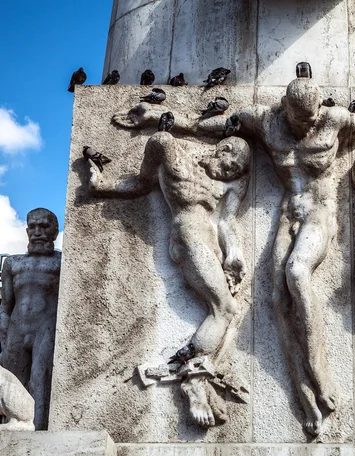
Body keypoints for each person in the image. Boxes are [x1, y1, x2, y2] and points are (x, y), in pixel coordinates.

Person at [113, 76, 355, 435]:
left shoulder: (333, 120)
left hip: (320, 211)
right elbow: (218, 124)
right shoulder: (265, 121)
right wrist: (165, 115)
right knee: (277, 297)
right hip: (289, 212)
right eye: (302, 120)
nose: (309, 124)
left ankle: (321, 375)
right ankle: (304, 394)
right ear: (286, 109)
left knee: (297, 273)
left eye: (313, 117)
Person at [88, 133, 250, 427]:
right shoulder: (173, 153)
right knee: (225, 309)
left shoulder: (231, 182)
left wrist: (234, 253)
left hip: (210, 242)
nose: (231, 174)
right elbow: (142, 181)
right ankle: (193, 379)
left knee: (228, 311)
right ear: (222, 149)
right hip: (188, 238)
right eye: (231, 166)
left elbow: (227, 221)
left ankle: (199, 367)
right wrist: (102, 187)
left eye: (236, 172)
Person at [0, 208, 61, 429]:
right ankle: (13, 428)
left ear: (54, 231)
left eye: (44, 227)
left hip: (45, 329)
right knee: (12, 384)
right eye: (33, 227)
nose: (37, 232)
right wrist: (4, 337)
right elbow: (6, 306)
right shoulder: (13, 263)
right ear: (26, 230)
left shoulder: (61, 263)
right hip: (17, 329)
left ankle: (39, 430)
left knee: (40, 382)